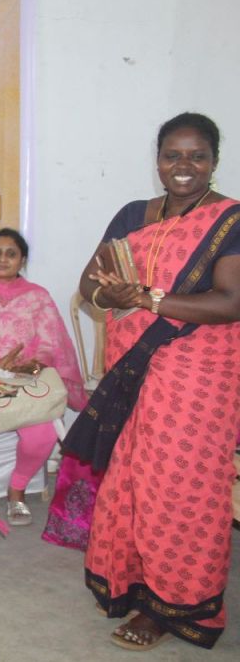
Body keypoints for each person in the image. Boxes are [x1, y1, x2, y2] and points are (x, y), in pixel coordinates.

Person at [64, 112, 240, 650]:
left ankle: (175, 604)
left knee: (179, 489)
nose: (184, 166)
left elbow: (231, 301)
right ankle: (131, 584)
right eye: (172, 155)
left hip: (197, 373)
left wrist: (146, 298)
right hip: (131, 366)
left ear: (213, 161)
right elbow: (89, 283)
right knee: (132, 481)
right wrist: (109, 295)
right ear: (158, 161)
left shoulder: (230, 221)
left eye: (197, 156)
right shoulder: (132, 215)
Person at [0, 228, 87, 526]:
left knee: (42, 435)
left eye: (11, 254)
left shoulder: (37, 297)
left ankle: (17, 490)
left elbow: (49, 343)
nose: (3, 259)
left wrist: (30, 367)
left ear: (22, 260)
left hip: (21, 377)